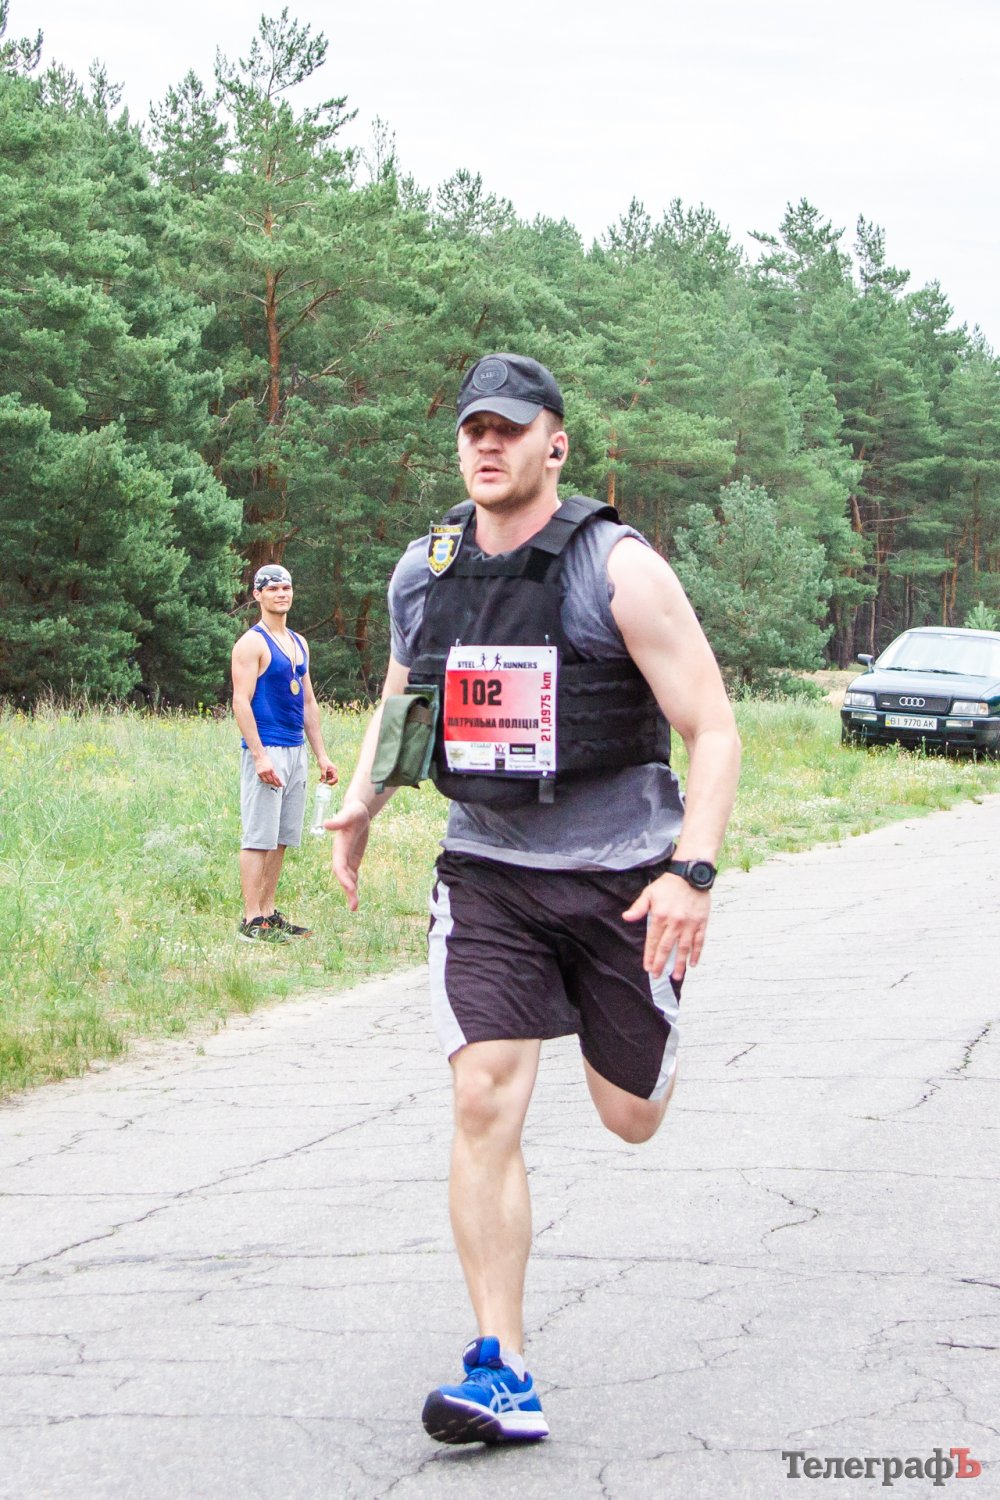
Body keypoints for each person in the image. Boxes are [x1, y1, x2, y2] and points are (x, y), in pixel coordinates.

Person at [328, 353, 741, 1444]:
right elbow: (403, 700)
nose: (487, 444)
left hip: (623, 882)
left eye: (509, 429)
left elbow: (713, 729)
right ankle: (500, 1366)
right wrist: (363, 801)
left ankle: (646, 1031)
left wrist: (692, 873)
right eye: (473, 428)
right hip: (489, 871)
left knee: (630, 1116)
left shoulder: (619, 569)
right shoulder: (426, 570)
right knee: (482, 1098)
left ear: (555, 445)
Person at [231, 563, 338, 942]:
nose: (281, 594)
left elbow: (308, 702)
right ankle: (250, 919)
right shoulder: (251, 643)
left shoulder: (299, 642)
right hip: (268, 746)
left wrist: (321, 755)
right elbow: (240, 701)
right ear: (257, 595)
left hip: (295, 749)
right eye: (272, 588)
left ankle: (268, 912)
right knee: (258, 834)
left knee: (281, 836)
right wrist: (259, 755)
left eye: (286, 587)